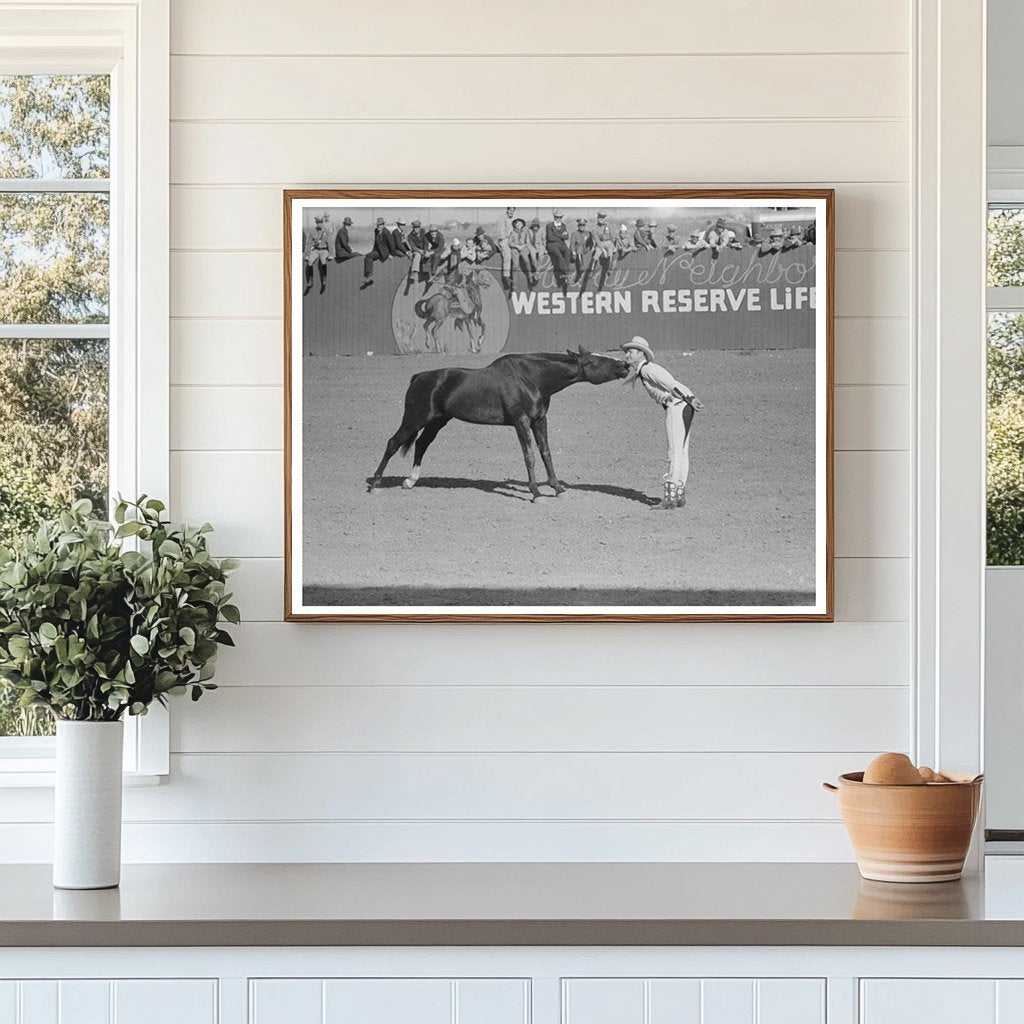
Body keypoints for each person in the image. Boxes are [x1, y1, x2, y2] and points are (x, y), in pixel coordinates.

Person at [620, 335, 703, 510]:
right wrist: (690, 398)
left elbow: (671, 384)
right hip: (683, 406)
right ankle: (679, 494)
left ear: (641, 354)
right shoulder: (646, 369)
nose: (627, 354)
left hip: (677, 406)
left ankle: (670, 498)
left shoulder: (647, 369)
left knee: (675, 452)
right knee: (681, 451)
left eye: (631, 351)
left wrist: (690, 397)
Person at [361, 216, 398, 288]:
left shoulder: (386, 232)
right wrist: (372, 251)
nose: (379, 226)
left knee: (368, 256)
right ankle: (369, 275)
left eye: (380, 225)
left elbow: (392, 243)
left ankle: (370, 275)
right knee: (369, 255)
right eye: (378, 225)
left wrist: (392, 254)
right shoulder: (376, 231)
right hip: (378, 251)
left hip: (384, 252)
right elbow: (376, 243)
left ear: (383, 225)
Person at [304, 214, 331, 294]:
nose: (320, 224)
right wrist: (307, 254)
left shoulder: (327, 231)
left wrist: (332, 254)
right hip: (316, 250)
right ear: (316, 223)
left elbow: (330, 243)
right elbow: (309, 243)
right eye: (318, 222)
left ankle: (324, 279)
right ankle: (310, 280)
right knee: (310, 261)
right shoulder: (313, 231)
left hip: (324, 250)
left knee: (323, 260)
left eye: (321, 222)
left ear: (323, 222)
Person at [545, 210, 571, 292]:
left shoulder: (563, 225)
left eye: (560, 217)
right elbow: (550, 238)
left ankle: (565, 273)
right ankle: (566, 274)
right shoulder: (549, 225)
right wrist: (560, 236)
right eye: (557, 217)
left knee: (567, 251)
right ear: (554, 217)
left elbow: (566, 237)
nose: (558, 219)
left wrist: (556, 234)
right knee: (559, 256)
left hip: (561, 244)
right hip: (552, 245)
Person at [508, 216, 534, 290]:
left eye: (520, 224)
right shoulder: (512, 233)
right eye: (517, 224)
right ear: (515, 225)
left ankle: (530, 277)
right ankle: (514, 283)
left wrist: (523, 246)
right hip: (515, 249)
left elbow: (528, 242)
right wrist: (516, 246)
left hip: (523, 247)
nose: (519, 225)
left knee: (526, 260)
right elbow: (510, 242)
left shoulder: (525, 232)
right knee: (515, 265)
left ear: (522, 225)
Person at [496, 205, 516, 292]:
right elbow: (501, 233)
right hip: (504, 239)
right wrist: (506, 238)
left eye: (513, 210)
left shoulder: (512, 219)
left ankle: (514, 276)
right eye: (511, 210)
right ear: (507, 210)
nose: (512, 212)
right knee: (507, 256)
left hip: (512, 239)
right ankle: (506, 276)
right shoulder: (502, 218)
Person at [569, 217, 594, 281]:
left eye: (583, 225)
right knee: (579, 248)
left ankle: (591, 270)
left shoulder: (588, 234)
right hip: (578, 252)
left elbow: (591, 244)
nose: (582, 226)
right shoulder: (574, 234)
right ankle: (581, 266)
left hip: (586, 251)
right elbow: (572, 244)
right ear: (578, 225)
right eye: (580, 225)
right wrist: (573, 251)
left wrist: (588, 249)